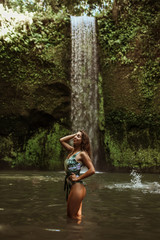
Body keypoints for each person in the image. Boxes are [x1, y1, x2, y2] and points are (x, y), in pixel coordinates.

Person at [59, 130, 95, 221]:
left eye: (78, 136)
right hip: (71, 186)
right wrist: (74, 135)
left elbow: (92, 170)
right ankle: (78, 233)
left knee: (71, 217)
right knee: (77, 216)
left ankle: (75, 234)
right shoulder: (72, 151)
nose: (75, 137)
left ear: (83, 141)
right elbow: (61, 140)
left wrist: (78, 178)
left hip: (77, 186)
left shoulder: (82, 154)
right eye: (76, 135)